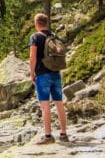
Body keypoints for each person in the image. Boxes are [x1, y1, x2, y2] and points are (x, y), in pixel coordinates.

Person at [28, 13, 68, 144]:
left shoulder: (35, 37)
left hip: (42, 74)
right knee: (59, 103)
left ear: (36, 23)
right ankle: (63, 134)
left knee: (45, 106)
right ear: (46, 23)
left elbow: (32, 57)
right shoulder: (54, 36)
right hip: (55, 73)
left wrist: (32, 73)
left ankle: (48, 136)